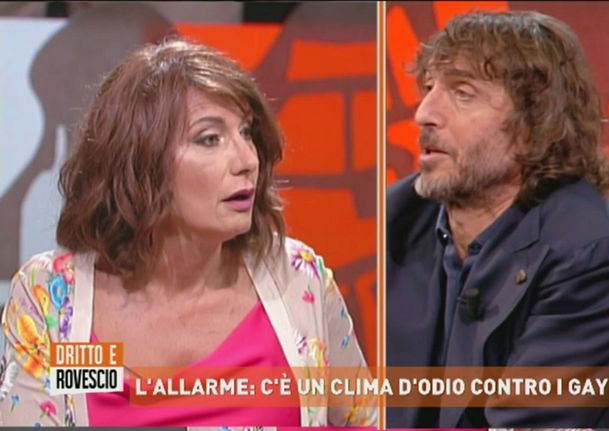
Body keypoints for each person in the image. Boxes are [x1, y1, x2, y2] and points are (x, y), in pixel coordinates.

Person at [0, 38, 376, 427]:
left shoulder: (299, 280)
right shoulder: (50, 299)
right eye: (209, 139)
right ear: (141, 164)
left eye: (247, 133)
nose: (248, 160)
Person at [387, 10, 609, 428]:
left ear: (534, 126)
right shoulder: (395, 222)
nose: (424, 112)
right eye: (428, 87)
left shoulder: (590, 255)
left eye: (462, 93)